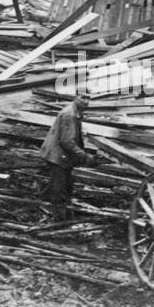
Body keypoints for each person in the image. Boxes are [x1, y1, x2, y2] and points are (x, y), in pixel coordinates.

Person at [38, 94, 94, 222]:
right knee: (60, 189)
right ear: (75, 97)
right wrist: (84, 156)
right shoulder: (69, 114)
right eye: (83, 97)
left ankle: (58, 211)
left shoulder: (75, 113)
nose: (86, 101)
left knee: (66, 186)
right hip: (57, 156)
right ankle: (59, 219)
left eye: (88, 98)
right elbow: (66, 142)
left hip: (63, 156)